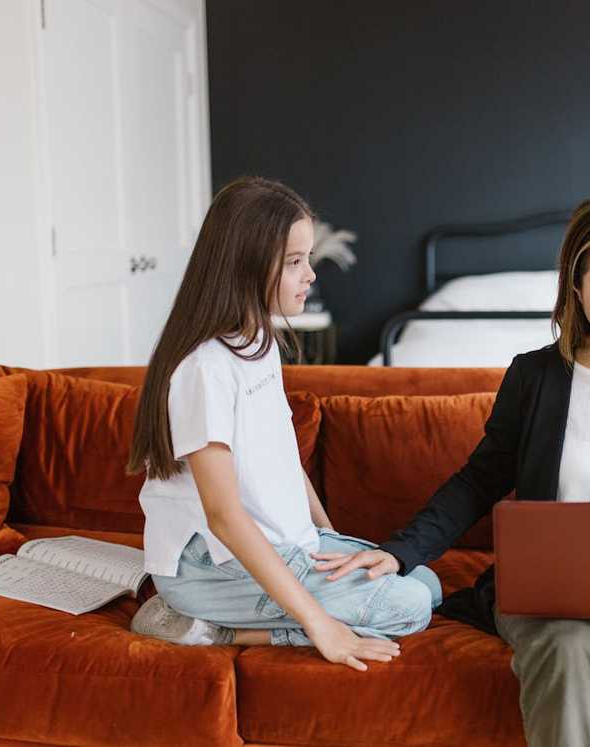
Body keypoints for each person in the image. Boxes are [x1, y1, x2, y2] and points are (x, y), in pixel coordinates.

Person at [312, 191, 590, 743]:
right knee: (565, 648)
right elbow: (481, 479)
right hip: (548, 592)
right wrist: (403, 551)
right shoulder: (536, 377)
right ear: (577, 290)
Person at [127, 176, 441, 672]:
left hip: (281, 541)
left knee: (427, 582)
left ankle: (261, 609)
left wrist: (328, 538)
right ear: (245, 266)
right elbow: (224, 516)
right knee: (410, 606)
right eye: (295, 263)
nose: (311, 275)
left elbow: (282, 458)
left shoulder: (260, 344)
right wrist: (320, 625)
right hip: (209, 568)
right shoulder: (205, 369)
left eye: (307, 258)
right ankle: (212, 628)